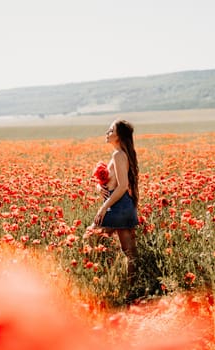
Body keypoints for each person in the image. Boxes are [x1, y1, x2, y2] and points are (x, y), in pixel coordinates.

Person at [92, 119, 140, 303]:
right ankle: (132, 290)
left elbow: (122, 186)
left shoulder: (119, 155)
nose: (107, 131)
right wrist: (99, 187)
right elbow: (112, 185)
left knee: (91, 239)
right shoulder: (118, 155)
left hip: (118, 207)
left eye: (111, 129)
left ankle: (106, 284)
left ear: (118, 135)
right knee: (130, 251)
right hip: (122, 206)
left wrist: (104, 207)